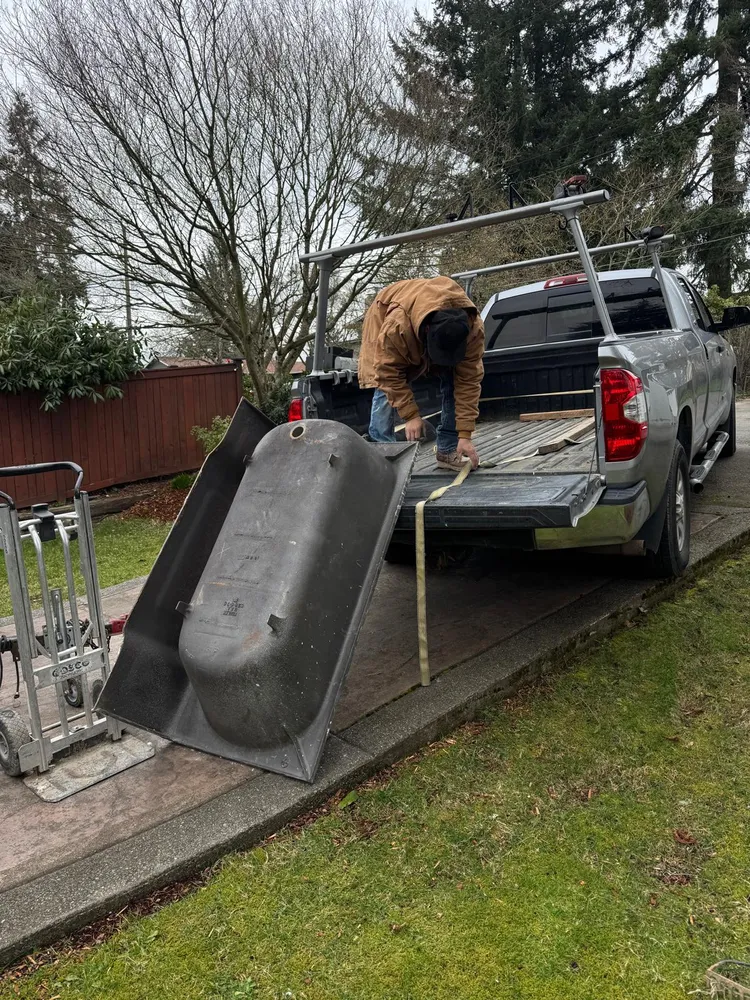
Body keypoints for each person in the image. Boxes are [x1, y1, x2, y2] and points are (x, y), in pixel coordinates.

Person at [357, 276, 485, 470]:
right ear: (426, 330)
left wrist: (465, 435)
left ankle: (448, 450)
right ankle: (383, 457)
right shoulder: (396, 325)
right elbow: (387, 374)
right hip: (387, 311)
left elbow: (468, 382)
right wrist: (410, 416)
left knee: (455, 379)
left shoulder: (473, 330)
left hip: (419, 318)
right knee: (383, 384)